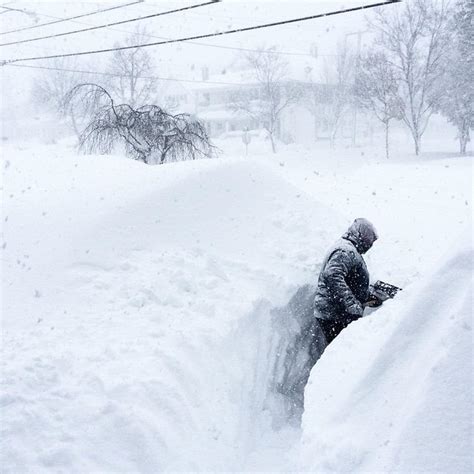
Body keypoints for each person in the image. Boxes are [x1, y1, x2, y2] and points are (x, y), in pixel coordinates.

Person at [311, 218, 378, 359]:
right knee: (341, 356)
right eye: (369, 240)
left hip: (337, 312)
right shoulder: (345, 250)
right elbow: (332, 275)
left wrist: (367, 295)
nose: (369, 245)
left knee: (339, 354)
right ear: (361, 235)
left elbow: (350, 280)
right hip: (335, 314)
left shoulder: (349, 249)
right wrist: (351, 304)